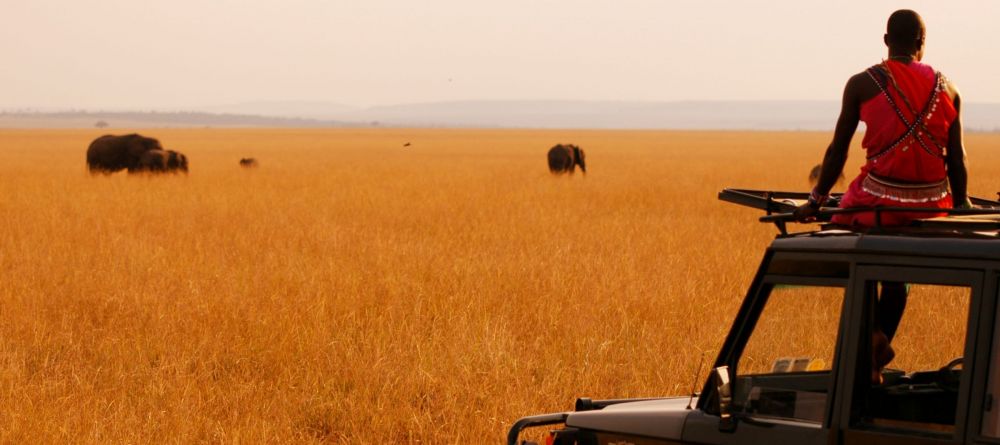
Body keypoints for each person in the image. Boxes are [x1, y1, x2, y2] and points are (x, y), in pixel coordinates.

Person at [793, 10, 972, 384]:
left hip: (877, 196)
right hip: (931, 205)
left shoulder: (862, 83)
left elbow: (837, 151)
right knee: (898, 275)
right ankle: (877, 349)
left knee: (846, 239)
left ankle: (873, 340)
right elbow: (957, 159)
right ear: (922, 44)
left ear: (886, 40)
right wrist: (962, 206)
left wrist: (816, 199)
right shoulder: (949, 88)